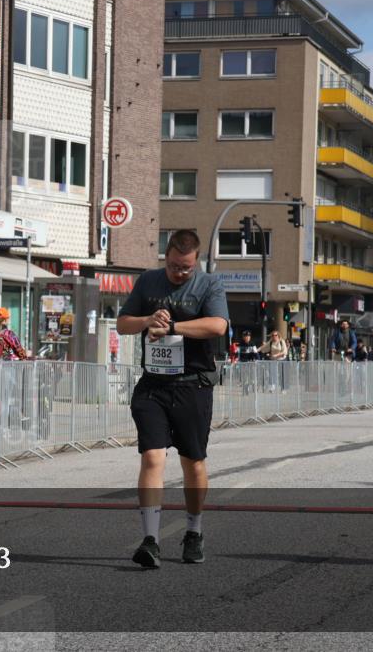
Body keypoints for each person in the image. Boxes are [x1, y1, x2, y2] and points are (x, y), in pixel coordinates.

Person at [117, 229, 229, 568]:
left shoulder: (209, 285)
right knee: (152, 458)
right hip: (153, 385)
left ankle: (194, 531)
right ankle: (150, 540)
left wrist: (174, 327)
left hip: (193, 384)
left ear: (197, 262)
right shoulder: (148, 282)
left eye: (186, 268)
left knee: (192, 461)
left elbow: (218, 326)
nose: (179, 273)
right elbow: (123, 324)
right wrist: (148, 320)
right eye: (173, 266)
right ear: (164, 257)